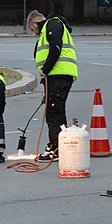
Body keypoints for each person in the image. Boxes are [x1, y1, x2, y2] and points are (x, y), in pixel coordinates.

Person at [26, 10, 78, 162]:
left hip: (59, 75)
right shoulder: (47, 31)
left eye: (32, 29)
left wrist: (46, 70)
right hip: (56, 78)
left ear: (35, 23)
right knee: (56, 112)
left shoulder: (53, 23)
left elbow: (55, 47)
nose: (34, 33)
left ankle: (55, 149)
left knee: (54, 113)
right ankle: (60, 147)